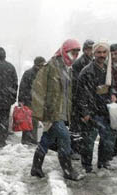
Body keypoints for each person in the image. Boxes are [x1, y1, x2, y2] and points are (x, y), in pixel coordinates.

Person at [30, 39, 84, 181]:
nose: (75, 55)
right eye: (73, 52)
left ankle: (36, 167)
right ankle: (68, 170)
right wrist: (41, 114)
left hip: (61, 112)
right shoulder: (51, 67)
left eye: (78, 53)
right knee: (65, 138)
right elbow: (38, 90)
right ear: (65, 51)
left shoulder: (67, 68)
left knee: (46, 139)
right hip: (52, 113)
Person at [76, 42, 116, 172]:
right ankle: (87, 165)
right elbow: (81, 95)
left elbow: (111, 88)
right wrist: (85, 113)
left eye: (104, 52)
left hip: (105, 111)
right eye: (99, 52)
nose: (102, 55)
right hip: (92, 112)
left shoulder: (108, 70)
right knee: (88, 141)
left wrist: (113, 96)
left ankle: (103, 162)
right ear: (94, 53)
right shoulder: (87, 72)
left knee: (107, 138)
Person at [69, 39, 94, 160]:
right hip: (77, 99)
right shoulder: (79, 63)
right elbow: (76, 83)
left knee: (86, 128)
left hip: (88, 99)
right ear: (85, 50)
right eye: (89, 49)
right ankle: (74, 149)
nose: (91, 51)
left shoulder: (93, 62)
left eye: (92, 49)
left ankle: (82, 150)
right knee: (76, 128)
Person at [18, 56, 45, 145]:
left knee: (34, 122)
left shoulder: (41, 73)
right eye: (41, 65)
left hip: (37, 101)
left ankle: (32, 140)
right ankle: (26, 140)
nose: (42, 66)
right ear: (36, 64)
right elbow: (22, 87)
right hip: (29, 100)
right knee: (28, 121)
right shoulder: (29, 73)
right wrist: (21, 100)